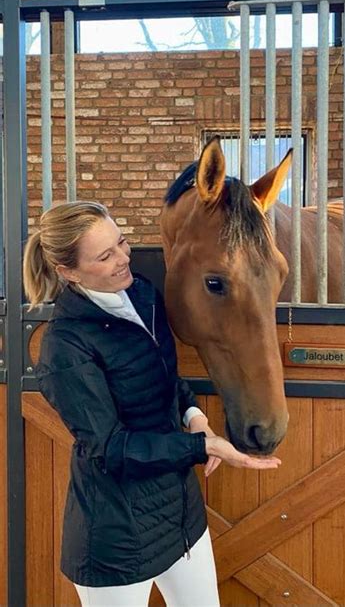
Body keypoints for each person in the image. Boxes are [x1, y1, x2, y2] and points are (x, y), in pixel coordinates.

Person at [23, 201, 281, 607]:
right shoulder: (65, 347)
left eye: (121, 243)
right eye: (105, 256)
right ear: (67, 272)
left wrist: (193, 415)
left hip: (181, 517)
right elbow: (111, 448)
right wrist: (203, 447)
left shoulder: (142, 294)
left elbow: (166, 377)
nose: (123, 258)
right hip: (117, 537)